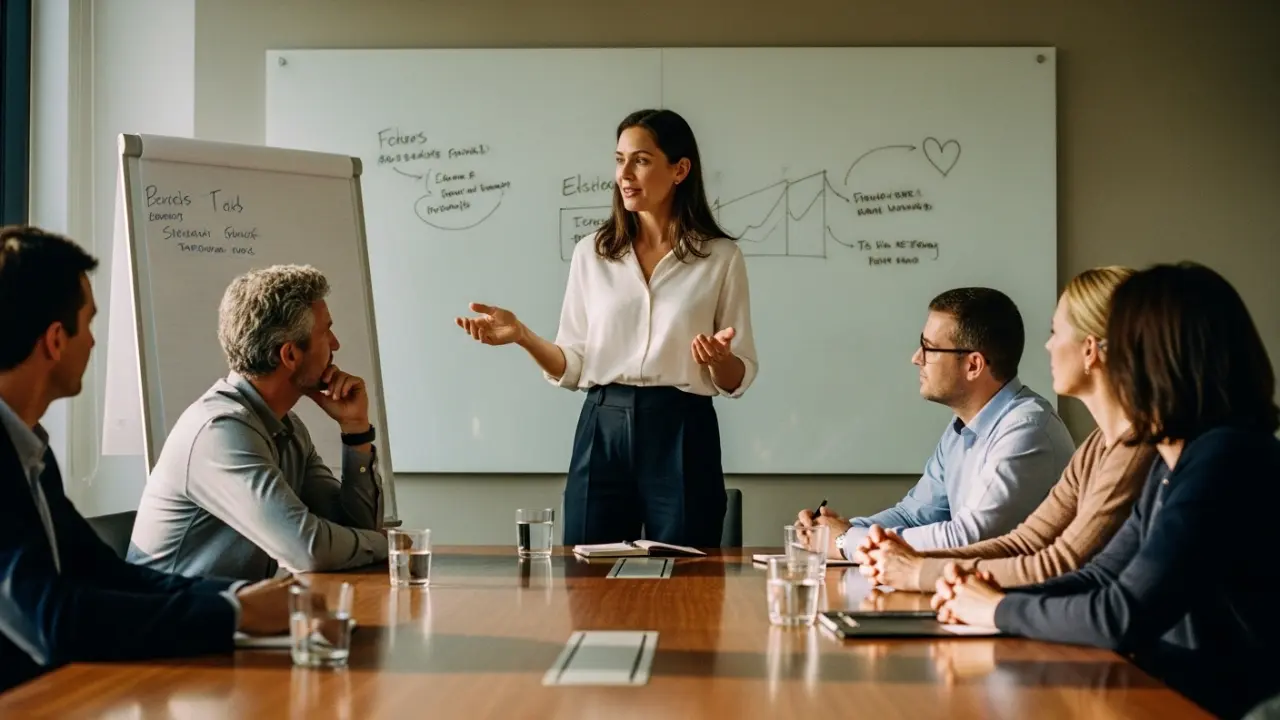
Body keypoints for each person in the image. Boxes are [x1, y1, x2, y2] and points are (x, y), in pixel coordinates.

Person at [932, 262, 1280, 720]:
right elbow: (1101, 577)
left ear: (1161, 359)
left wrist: (997, 610)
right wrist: (985, 591)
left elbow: (1122, 615)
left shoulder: (1225, 459)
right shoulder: (1174, 458)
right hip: (1177, 687)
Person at [0, 226, 295, 691]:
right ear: (56, 340)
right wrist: (236, 613)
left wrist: (240, 597)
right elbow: (52, 620)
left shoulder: (28, 448)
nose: (94, 343)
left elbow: (107, 574)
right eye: (90, 324)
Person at [454, 108, 757, 547]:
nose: (625, 174)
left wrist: (721, 360)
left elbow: (737, 377)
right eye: (619, 160)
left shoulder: (720, 257)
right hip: (602, 426)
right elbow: (574, 364)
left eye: (642, 160)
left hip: (682, 429)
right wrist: (523, 336)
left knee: (690, 584)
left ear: (680, 169)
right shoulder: (592, 253)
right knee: (588, 579)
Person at [855, 267, 1157, 591]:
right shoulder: (1097, 447)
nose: (1047, 346)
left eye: (1056, 332)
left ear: (1090, 349)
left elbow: (1059, 562)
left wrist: (921, 573)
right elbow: (1024, 542)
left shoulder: (1134, 447)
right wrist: (913, 563)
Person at [128, 264, 388, 581]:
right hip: (172, 625)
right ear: (290, 355)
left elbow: (354, 531)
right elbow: (308, 548)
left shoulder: (288, 427)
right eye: (326, 332)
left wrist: (355, 429)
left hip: (232, 618)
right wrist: (390, 544)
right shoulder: (220, 431)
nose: (335, 344)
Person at [797, 287, 1075, 556]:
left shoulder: (1027, 430)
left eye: (928, 348)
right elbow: (914, 515)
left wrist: (848, 541)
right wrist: (835, 530)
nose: (916, 358)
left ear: (974, 365)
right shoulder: (961, 429)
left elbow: (968, 538)